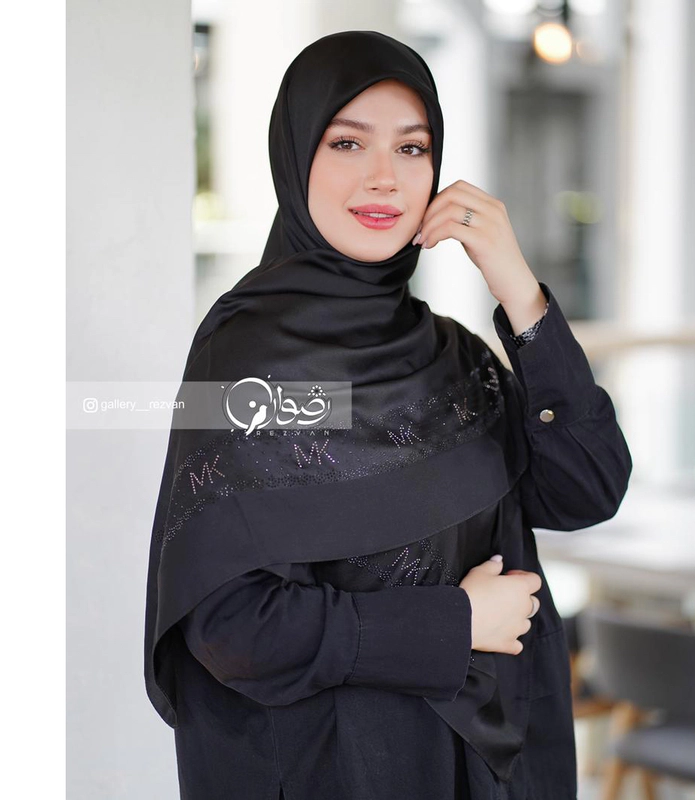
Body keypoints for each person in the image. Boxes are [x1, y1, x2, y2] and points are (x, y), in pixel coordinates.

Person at [144, 30, 633, 800]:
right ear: (294, 155)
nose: (384, 177)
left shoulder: (457, 360)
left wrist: (520, 294)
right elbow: (231, 627)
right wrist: (454, 624)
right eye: (347, 142)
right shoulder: (243, 363)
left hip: (491, 771)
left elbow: (589, 489)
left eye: (412, 148)